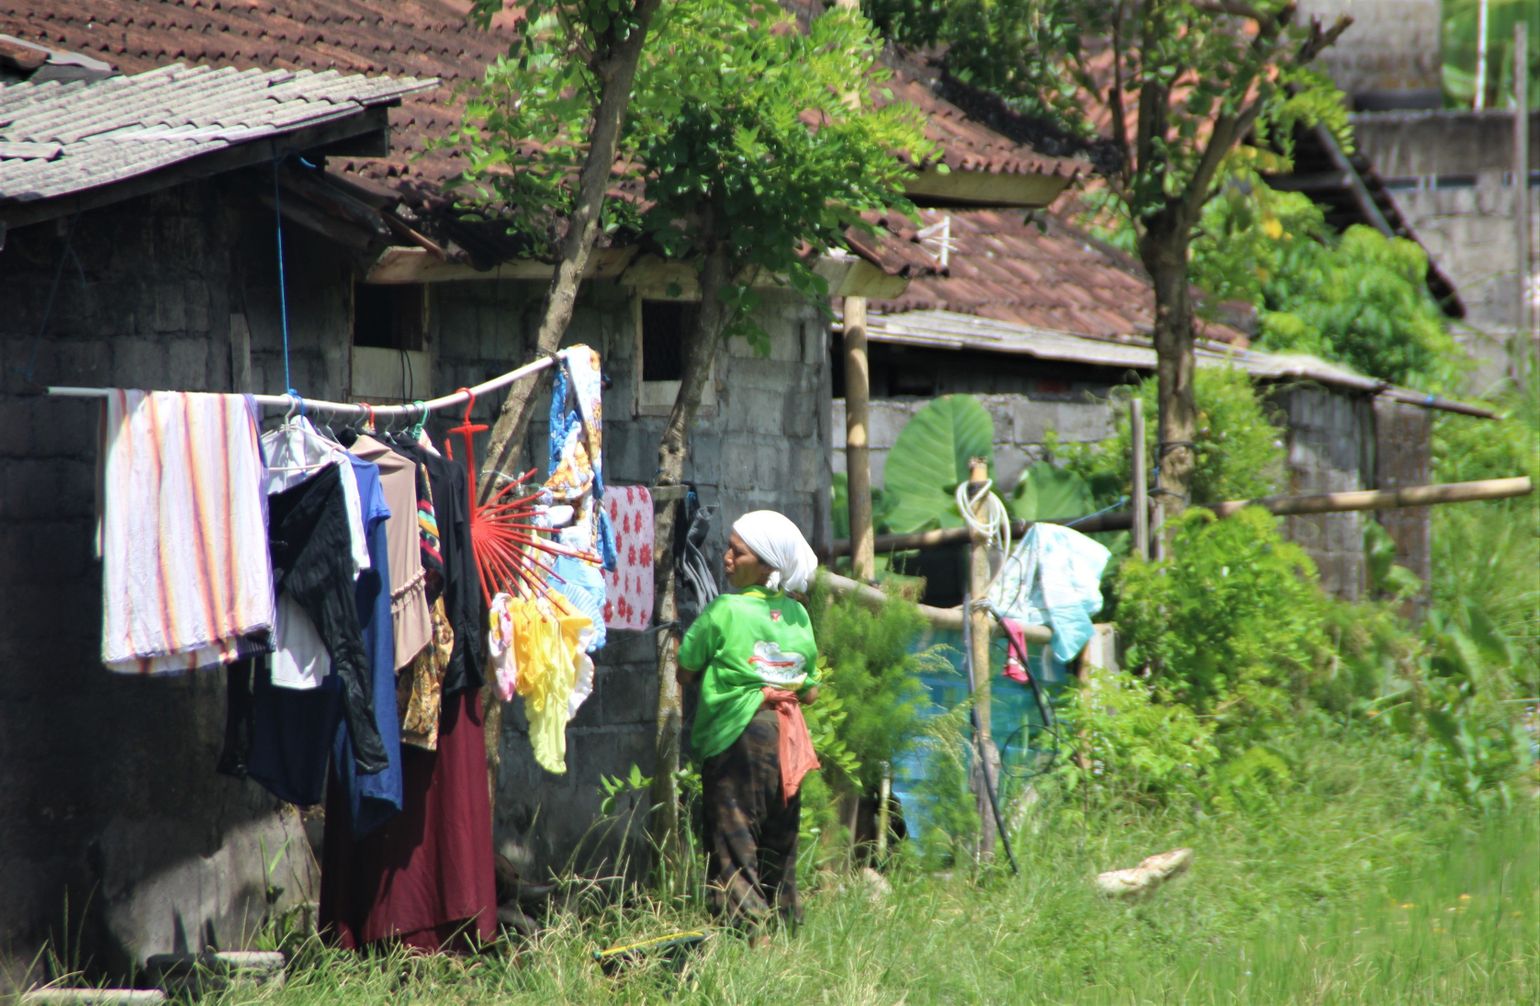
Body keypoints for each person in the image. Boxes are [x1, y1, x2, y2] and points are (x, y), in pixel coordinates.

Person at [677, 510, 822, 936]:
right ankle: (786, 935)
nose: (725, 557)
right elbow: (810, 691)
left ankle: (750, 945)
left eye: (736, 553)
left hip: (738, 736)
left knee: (735, 842)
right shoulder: (799, 617)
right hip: (788, 737)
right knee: (780, 842)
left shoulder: (726, 610)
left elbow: (686, 668)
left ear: (766, 566)